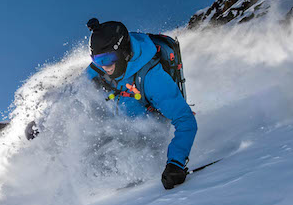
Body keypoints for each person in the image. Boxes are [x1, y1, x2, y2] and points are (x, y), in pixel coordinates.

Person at [26, 18, 197, 189]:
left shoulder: (153, 78)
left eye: (108, 59)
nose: (104, 67)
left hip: (147, 133)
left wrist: (176, 164)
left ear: (123, 51)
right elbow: (71, 92)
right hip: (117, 122)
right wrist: (44, 123)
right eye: (98, 60)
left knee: (112, 161)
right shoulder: (101, 67)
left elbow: (185, 120)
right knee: (82, 142)